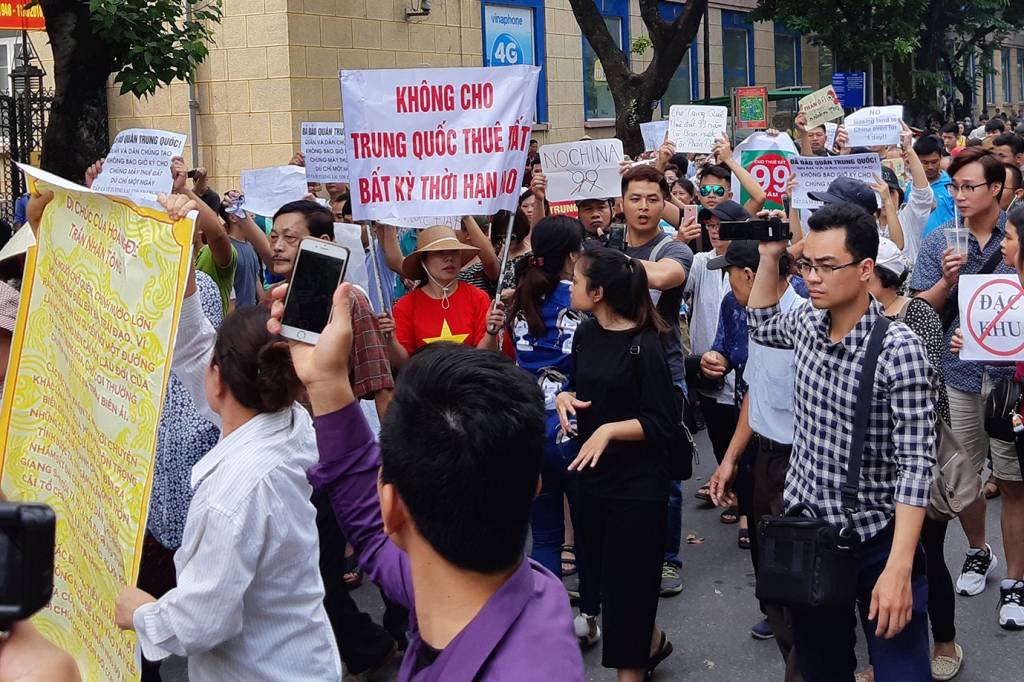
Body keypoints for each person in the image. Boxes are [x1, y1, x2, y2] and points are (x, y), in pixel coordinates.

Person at [266, 285, 584, 680]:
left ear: (393, 510)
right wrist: (325, 380)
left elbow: (370, 526)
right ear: (534, 486)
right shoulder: (533, 590)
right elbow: (368, 524)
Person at [114, 193, 341, 681]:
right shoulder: (290, 425)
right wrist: (184, 255)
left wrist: (140, 613)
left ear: (217, 381)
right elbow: (195, 347)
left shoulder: (231, 493)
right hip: (302, 661)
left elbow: (202, 620)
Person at [748, 202, 936, 681]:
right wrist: (772, 259)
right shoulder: (806, 324)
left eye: (828, 266)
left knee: (902, 670)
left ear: (865, 269)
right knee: (821, 667)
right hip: (812, 534)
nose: (812, 277)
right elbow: (760, 320)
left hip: (879, 539)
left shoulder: (900, 349)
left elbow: (917, 466)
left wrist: (898, 569)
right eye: (807, 264)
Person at [556, 247, 678, 681]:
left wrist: (609, 431)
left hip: (639, 486)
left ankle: (631, 669)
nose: (571, 285)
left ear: (599, 291)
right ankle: (648, 642)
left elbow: (662, 422)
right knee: (609, 581)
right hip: (591, 480)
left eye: (577, 278)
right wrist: (564, 396)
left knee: (633, 584)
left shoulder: (645, 342)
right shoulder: (586, 333)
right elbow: (578, 383)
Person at [910, 147, 1019, 614]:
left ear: (996, 188)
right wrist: (947, 284)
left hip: (1011, 383)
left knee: (1013, 481)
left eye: (969, 186)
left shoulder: (1014, 240)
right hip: (958, 376)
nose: (959, 195)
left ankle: (1016, 579)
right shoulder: (940, 241)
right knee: (965, 476)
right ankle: (978, 551)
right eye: (954, 187)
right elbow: (919, 310)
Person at [705, 238, 804, 679]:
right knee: (768, 564)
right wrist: (730, 460)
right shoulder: (746, 313)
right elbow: (754, 389)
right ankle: (781, 620)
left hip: (800, 464)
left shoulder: (804, 318)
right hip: (762, 459)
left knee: (799, 576)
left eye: (730, 273)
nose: (728, 284)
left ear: (750, 273)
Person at [865, 237, 963, 679]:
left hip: (920, 457)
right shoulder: (847, 319)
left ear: (877, 275)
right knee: (877, 566)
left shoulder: (916, 314)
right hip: (869, 470)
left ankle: (944, 639)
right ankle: (884, 654)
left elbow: (927, 391)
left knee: (926, 555)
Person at [619, 164, 695, 596]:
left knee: (664, 475)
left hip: (663, 375)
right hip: (613, 374)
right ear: (621, 203)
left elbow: (666, 277)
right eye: (635, 198)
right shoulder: (605, 242)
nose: (643, 207)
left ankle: (668, 559)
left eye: (652, 198)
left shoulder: (673, 249)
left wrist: (603, 263)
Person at [948, 203, 1024, 631]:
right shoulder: (995, 287)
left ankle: (1017, 577)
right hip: (1003, 400)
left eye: (1010, 236)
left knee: (1016, 488)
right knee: (1001, 484)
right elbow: (987, 335)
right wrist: (972, 340)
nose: (1004, 243)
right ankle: (1000, 567)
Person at [507, 216, 584, 583]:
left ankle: (551, 622)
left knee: (545, 533)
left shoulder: (520, 296)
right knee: (590, 530)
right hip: (573, 425)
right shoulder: (583, 297)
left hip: (526, 425)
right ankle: (590, 614)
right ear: (574, 254)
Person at [685, 200, 749, 521]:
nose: (713, 231)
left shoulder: (755, 266)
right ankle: (727, 486)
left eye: (720, 226)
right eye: (709, 225)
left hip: (744, 377)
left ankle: (743, 496)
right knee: (719, 434)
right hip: (709, 372)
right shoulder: (700, 262)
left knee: (746, 436)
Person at [379, 225, 505, 368]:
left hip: (471, 384)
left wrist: (491, 333)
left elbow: (485, 358)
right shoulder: (405, 306)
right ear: (423, 261)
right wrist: (390, 340)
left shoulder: (478, 297)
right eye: (440, 252)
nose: (449, 258)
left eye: (454, 252)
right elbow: (403, 365)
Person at [913, 135, 957, 237]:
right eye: (924, 162)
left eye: (934, 162)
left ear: (940, 158)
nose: (930, 167)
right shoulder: (910, 187)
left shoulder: (952, 186)